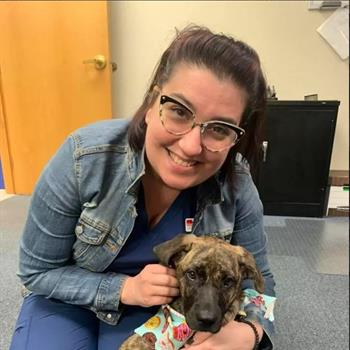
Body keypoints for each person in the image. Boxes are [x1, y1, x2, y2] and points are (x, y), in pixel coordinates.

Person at [10, 25, 276, 350]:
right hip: (67, 297)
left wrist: (251, 331)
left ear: (237, 136)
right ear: (152, 103)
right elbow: (37, 272)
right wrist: (124, 289)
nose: (192, 146)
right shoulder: (84, 158)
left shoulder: (236, 182)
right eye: (179, 111)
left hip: (159, 309)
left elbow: (260, 282)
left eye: (218, 129)